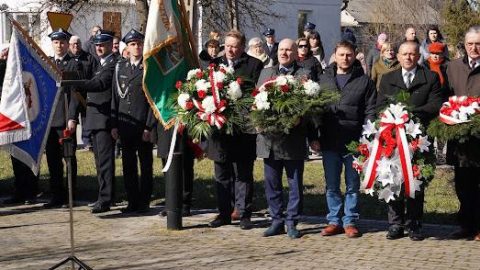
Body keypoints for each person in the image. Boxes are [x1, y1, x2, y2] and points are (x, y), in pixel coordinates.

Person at [377, 41, 443, 241]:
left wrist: (411, 114)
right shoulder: (388, 78)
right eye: (404, 54)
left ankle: (415, 223)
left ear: (418, 56)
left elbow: (436, 103)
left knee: (416, 180)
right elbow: (380, 105)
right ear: (398, 56)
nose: (408, 57)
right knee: (394, 179)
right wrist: (392, 118)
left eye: (412, 54)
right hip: (393, 138)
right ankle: (395, 223)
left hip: (419, 137)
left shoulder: (430, 77)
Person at [257, 38, 317, 239]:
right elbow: (257, 100)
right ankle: (276, 220)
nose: (283, 53)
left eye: (288, 50)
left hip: (293, 139)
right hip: (270, 140)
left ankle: (292, 221)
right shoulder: (266, 73)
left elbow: (311, 107)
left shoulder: (304, 75)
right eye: (281, 49)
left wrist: (301, 117)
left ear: (295, 53)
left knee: (294, 184)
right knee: (272, 183)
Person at [318, 40, 377, 238]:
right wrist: (315, 136)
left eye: (349, 55)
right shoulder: (324, 79)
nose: (345, 58)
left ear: (354, 55)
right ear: (335, 55)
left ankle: (350, 220)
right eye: (341, 54)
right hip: (329, 139)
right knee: (332, 184)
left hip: (354, 141)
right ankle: (334, 220)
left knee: (352, 185)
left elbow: (370, 110)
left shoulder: (364, 81)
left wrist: (366, 137)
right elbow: (316, 110)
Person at [207, 30, 263, 230]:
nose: (230, 50)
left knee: (243, 174)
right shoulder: (214, 65)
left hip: (243, 130)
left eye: (234, 46)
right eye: (227, 45)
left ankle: (244, 213)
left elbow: (257, 95)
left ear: (242, 47)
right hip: (220, 130)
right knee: (222, 174)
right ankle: (224, 213)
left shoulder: (254, 65)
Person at [72, 29, 119, 213]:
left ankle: (106, 199)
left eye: (103, 45)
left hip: (104, 119)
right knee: (100, 162)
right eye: (97, 45)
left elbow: (100, 84)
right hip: (95, 118)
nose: (99, 47)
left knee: (105, 162)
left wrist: (77, 83)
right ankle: (104, 196)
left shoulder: (112, 64)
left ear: (109, 46)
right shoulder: (100, 64)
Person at [111, 29, 155, 214]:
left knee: (145, 165)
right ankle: (132, 201)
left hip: (142, 124)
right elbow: (115, 97)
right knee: (128, 166)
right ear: (127, 47)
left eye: (139, 44)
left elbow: (153, 100)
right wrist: (114, 123)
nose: (136, 47)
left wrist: (149, 126)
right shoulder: (120, 67)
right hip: (125, 124)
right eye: (132, 44)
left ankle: (144, 201)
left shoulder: (148, 68)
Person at [445, 26, 480, 241]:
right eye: (470, 43)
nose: (474, 48)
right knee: (462, 184)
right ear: (464, 45)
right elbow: (446, 96)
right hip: (460, 138)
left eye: (478, 43)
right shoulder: (453, 67)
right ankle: (466, 225)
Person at [44, 28, 82, 208]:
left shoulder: (73, 64)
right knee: (52, 160)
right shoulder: (47, 63)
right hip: (50, 119)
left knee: (68, 158)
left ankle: (70, 195)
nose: (59, 46)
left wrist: (72, 118)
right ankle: (56, 195)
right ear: (52, 44)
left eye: (62, 42)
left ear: (67, 44)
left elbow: (75, 93)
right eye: (56, 42)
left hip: (65, 117)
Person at [1, 48, 39, 206]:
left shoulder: (28, 71)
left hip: (28, 117)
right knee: (16, 156)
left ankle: (31, 192)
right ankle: (19, 192)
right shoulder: (7, 72)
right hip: (13, 118)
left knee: (29, 156)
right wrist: (3, 60)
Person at [69, 35, 98, 149]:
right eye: (74, 44)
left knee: (86, 118)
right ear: (70, 45)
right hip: (72, 94)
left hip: (86, 93)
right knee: (72, 118)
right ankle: (72, 142)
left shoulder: (89, 57)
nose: (76, 46)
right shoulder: (67, 58)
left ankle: (87, 141)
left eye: (78, 43)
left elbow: (95, 74)